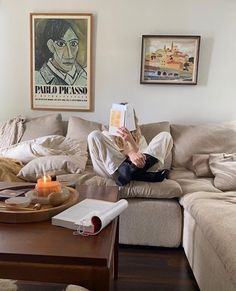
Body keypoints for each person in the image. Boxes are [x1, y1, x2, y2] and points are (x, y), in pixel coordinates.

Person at [87, 107, 173, 186]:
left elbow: (142, 158)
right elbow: (112, 156)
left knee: (166, 136)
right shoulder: (106, 135)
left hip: (134, 171)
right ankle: (143, 176)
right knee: (94, 135)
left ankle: (132, 174)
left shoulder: (139, 137)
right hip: (114, 173)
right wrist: (130, 153)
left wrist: (131, 141)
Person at [35, 19, 87, 86]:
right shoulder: (38, 79)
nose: (70, 55)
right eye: (61, 44)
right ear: (51, 46)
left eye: (73, 43)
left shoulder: (84, 76)